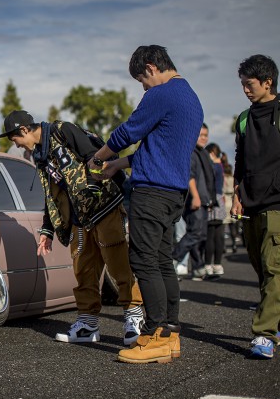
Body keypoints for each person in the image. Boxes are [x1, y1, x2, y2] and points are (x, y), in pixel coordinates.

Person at [89, 45, 203, 364]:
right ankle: (171, 332)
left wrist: (98, 159)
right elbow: (158, 149)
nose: (143, 87)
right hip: (172, 192)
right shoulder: (190, 98)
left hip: (151, 192)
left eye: (141, 79)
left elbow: (129, 131)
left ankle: (154, 335)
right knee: (163, 261)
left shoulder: (161, 94)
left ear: (151, 68)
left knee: (143, 261)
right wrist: (117, 165)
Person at [2, 110, 144, 346]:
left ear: (24, 129)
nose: (15, 143)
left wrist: (94, 183)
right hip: (80, 218)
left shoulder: (63, 130)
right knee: (84, 269)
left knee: (118, 264)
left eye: (13, 138)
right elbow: (51, 195)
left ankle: (134, 316)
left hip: (104, 206)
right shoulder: (40, 155)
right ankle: (88, 324)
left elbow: (95, 155)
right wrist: (47, 230)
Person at [232, 54, 280, 359]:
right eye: (243, 85)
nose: (246, 90)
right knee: (262, 269)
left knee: (274, 267)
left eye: (249, 85)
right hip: (249, 202)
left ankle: (264, 335)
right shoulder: (243, 118)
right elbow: (240, 161)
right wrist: (237, 194)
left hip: (277, 203)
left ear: (267, 82)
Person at [172, 124, 215, 281]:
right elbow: (189, 177)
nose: (204, 138)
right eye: (201, 135)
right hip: (194, 200)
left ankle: (198, 268)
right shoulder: (191, 152)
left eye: (206, 135)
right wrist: (196, 196)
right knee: (194, 233)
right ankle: (173, 260)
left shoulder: (201, 153)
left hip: (203, 200)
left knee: (201, 234)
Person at [203, 142, 227, 279]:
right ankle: (218, 265)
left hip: (212, 200)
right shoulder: (221, 166)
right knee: (219, 235)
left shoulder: (213, 166)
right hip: (220, 200)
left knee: (210, 236)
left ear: (211, 153)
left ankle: (208, 265)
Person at [221, 153, 238, 253]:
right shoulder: (232, 178)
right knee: (233, 225)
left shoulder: (222, 179)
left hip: (224, 201)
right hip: (231, 200)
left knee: (223, 226)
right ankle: (234, 244)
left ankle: (223, 246)